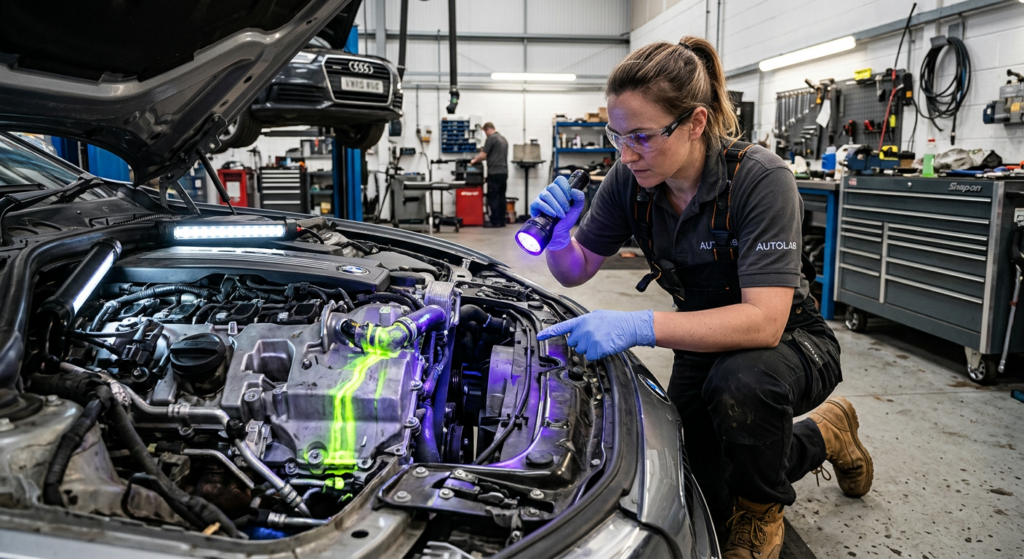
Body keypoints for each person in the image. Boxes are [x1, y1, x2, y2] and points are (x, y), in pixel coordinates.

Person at [530, 37, 873, 559]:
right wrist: (559, 239)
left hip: (790, 342)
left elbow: (764, 322)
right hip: (702, 339)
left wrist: (639, 325)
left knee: (742, 386)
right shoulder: (630, 179)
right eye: (617, 136)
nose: (625, 154)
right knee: (691, 483)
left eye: (642, 137)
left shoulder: (761, 180)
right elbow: (576, 271)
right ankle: (825, 434)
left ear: (694, 122)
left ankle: (761, 512)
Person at [470, 122, 509, 227]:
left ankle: (495, 221)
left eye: (485, 132)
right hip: (504, 172)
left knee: (493, 196)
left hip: (494, 172)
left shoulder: (491, 138)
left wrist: (473, 161)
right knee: (501, 196)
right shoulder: (503, 139)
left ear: (488, 129)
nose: (485, 134)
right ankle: (502, 220)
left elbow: (483, 155)